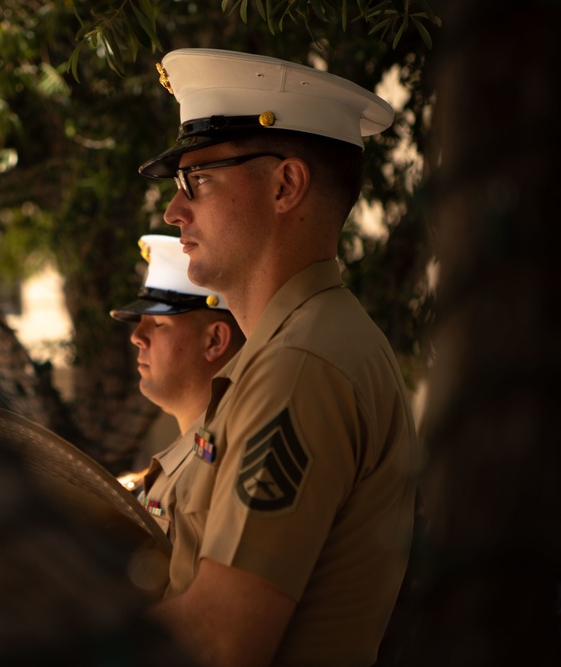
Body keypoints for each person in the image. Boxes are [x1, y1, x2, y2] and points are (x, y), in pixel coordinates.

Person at [136, 49, 421, 667]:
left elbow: (220, 638)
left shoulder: (300, 363)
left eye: (198, 181)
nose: (173, 210)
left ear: (286, 185)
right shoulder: (294, 346)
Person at [110, 234, 245, 531]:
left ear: (214, 340)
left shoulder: (229, 458)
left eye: (158, 324)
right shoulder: (193, 450)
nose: (137, 337)